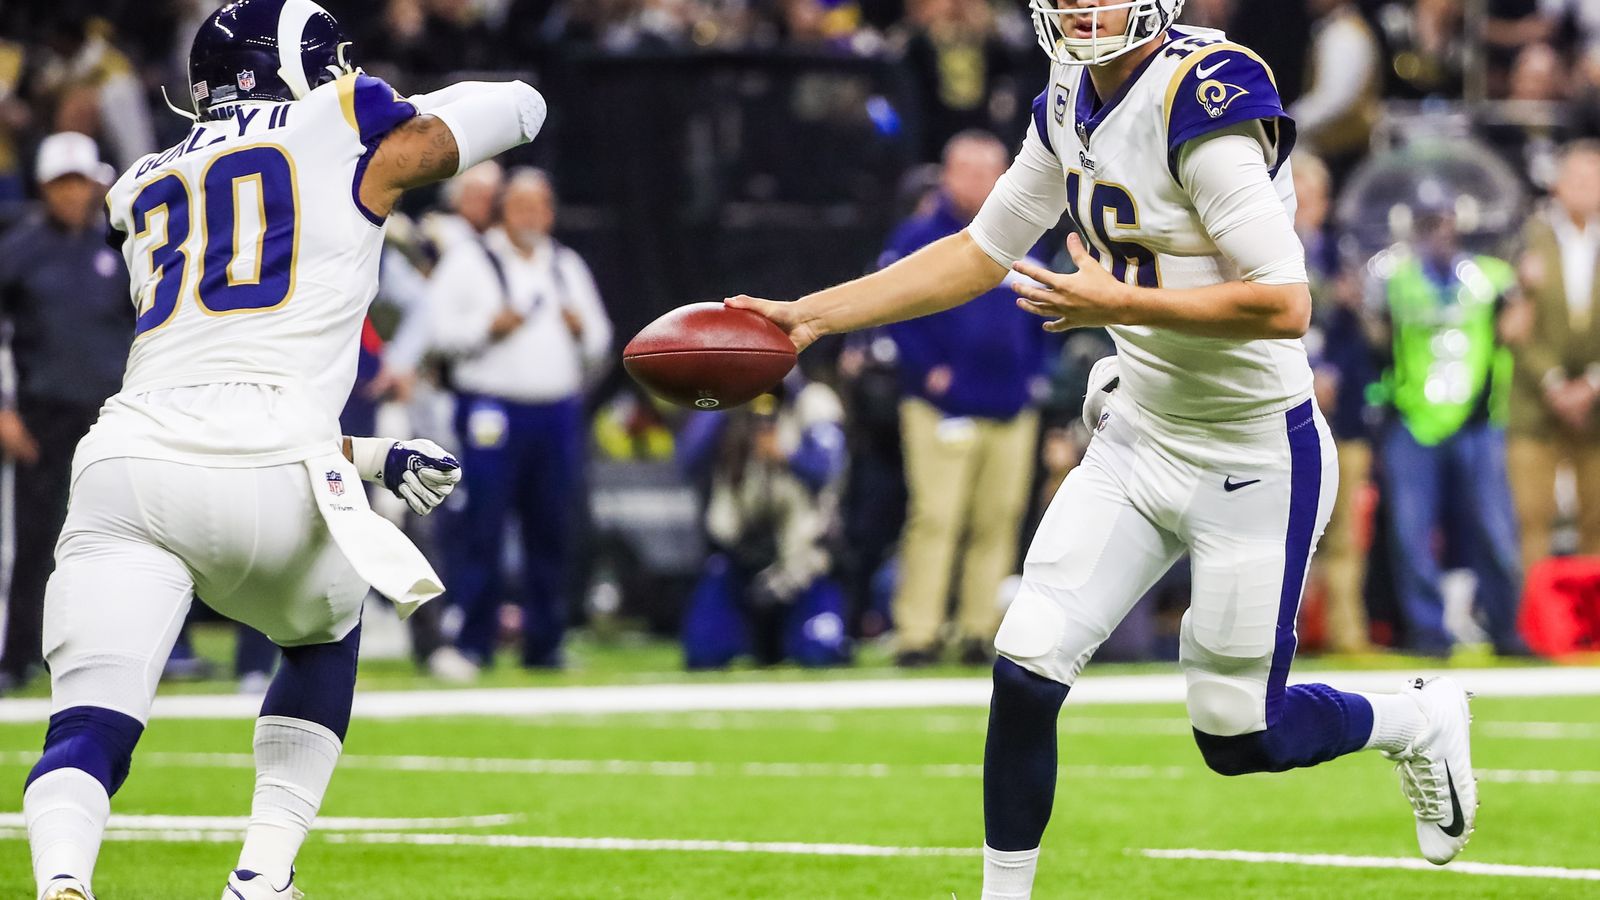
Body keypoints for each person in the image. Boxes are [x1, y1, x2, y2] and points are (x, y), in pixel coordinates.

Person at [727, 2, 1478, 895]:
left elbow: (1284, 303)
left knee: (1239, 737)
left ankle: (1415, 720)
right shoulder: (1067, 89)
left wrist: (1115, 306)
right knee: (1027, 659)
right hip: (1142, 432)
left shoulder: (1204, 97)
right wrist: (811, 316)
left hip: (1254, 453)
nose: (1086, 8)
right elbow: (979, 250)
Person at [19, 3, 547, 899]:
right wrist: (369, 102)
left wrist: (372, 456)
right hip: (268, 466)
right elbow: (520, 106)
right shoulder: (340, 124)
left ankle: (61, 879)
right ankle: (263, 875)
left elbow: (215, 379)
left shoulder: (142, 178)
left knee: (87, 724)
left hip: (126, 463)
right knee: (323, 635)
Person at [429, 168, 612, 675]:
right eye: (521, 208)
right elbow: (439, 332)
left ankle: (545, 642)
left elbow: (601, 339)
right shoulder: (471, 261)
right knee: (483, 525)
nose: (532, 218)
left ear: (551, 213)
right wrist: (489, 328)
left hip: (555, 411)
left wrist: (581, 332)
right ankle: (472, 642)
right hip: (493, 409)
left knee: (551, 527)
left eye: (540, 208)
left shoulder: (565, 266)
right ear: (503, 210)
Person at [882, 130, 1050, 667]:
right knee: (937, 517)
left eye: (990, 170)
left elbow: (1049, 306)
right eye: (969, 170)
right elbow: (888, 305)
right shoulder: (920, 234)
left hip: (1010, 402)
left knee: (998, 518)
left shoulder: (1024, 232)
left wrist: (1034, 375)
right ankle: (918, 633)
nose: (980, 182)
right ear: (947, 174)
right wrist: (928, 370)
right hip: (942, 405)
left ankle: (980, 630)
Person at [1369, 200, 1528, 658]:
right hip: (1414, 416)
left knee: (1495, 530)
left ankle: (1506, 629)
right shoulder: (1394, 278)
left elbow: (1515, 328)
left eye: (1443, 224)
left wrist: (1524, 295)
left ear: (1459, 227)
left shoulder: (1494, 275)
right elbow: (1379, 336)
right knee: (1411, 532)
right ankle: (1427, 631)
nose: (1438, 233)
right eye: (1428, 225)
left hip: (1477, 418)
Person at [0, 133, 130, 692]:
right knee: (33, 541)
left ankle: (102, 655)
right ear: (46, 186)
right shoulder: (18, 250)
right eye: (67, 183)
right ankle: (17, 654)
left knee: (114, 540)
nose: (78, 194)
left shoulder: (120, 248)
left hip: (109, 418)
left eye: (85, 183)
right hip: (40, 416)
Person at [1297, 152, 1377, 654]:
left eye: (1311, 196)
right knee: (1285, 533)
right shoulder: (1252, 257)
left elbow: (1366, 343)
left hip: (1341, 417)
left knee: (1345, 532)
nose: (1303, 206)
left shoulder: (1344, 259)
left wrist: (1359, 306)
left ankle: (1348, 634)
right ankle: (1281, 636)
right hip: (1282, 419)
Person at [1508, 142, 1600, 573]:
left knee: (1596, 521)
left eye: (1594, 178)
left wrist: (1590, 386)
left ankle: (1591, 624)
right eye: (1578, 178)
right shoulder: (1527, 237)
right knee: (1532, 517)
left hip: (1596, 407)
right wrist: (1555, 384)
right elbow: (1514, 327)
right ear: (1557, 186)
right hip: (1535, 404)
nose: (1588, 187)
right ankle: (1534, 627)